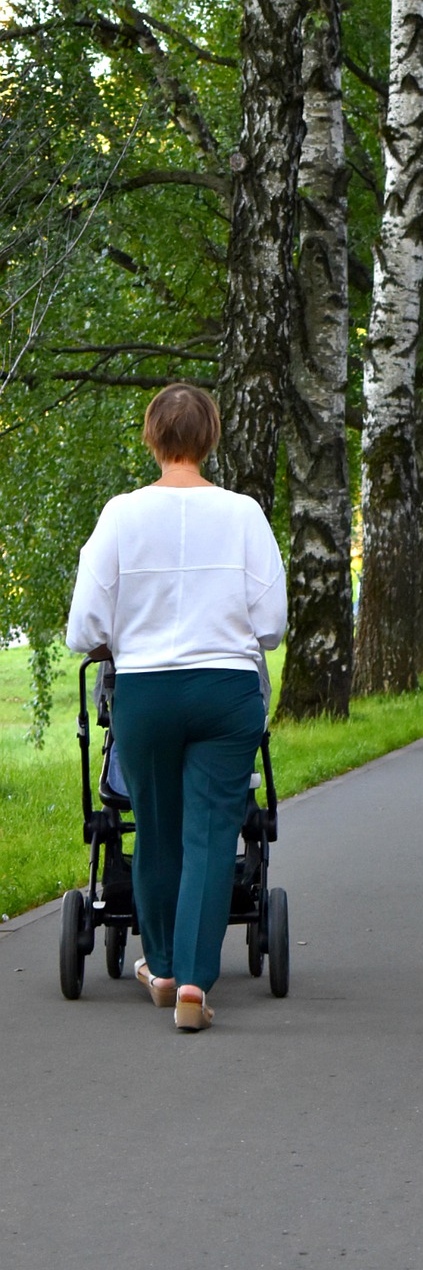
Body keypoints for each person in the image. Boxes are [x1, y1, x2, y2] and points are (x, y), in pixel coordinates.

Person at [65, 384, 285, 1033]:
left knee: (156, 828)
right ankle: (194, 982)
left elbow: (84, 628)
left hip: (148, 693)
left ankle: (159, 967)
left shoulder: (121, 516)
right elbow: (270, 623)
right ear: (211, 436)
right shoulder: (243, 514)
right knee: (213, 834)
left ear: (151, 437)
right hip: (224, 690)